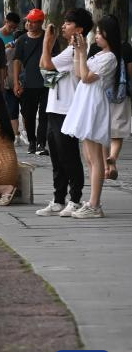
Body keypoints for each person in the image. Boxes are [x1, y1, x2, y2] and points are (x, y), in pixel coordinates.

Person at [61, 16, 120, 218]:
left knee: (95, 158)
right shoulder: (99, 55)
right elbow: (79, 73)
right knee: (89, 157)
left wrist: (83, 51)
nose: (96, 36)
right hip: (86, 101)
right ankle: (93, 202)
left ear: (109, 35)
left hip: (93, 103)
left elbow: (86, 77)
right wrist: (79, 51)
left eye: (100, 33)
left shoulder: (110, 57)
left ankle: (95, 205)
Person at [35, 8, 91, 216]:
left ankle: (75, 199)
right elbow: (44, 68)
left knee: (68, 156)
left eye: (68, 23)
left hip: (66, 109)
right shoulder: (69, 50)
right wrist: (48, 45)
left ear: (79, 29)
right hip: (55, 108)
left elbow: (46, 65)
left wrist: (46, 42)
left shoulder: (76, 50)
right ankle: (59, 199)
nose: (63, 26)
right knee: (57, 158)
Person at [12, 9, 51, 154]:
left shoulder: (48, 37)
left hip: (46, 82)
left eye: (33, 22)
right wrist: (16, 82)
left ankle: (41, 143)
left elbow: (55, 58)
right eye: (28, 21)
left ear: (41, 23)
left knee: (44, 114)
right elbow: (17, 61)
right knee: (28, 114)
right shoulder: (22, 40)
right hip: (28, 83)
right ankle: (32, 141)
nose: (29, 24)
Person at [103, 23, 132, 181]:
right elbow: (130, 71)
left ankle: (106, 168)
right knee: (117, 131)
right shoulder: (126, 47)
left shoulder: (96, 48)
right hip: (121, 93)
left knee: (102, 131)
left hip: (101, 94)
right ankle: (112, 158)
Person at [0, 12, 23, 141]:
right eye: (11, 26)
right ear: (5, 21)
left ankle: (11, 132)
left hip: (10, 76)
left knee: (10, 107)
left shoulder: (15, 37)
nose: (12, 30)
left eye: (14, 28)